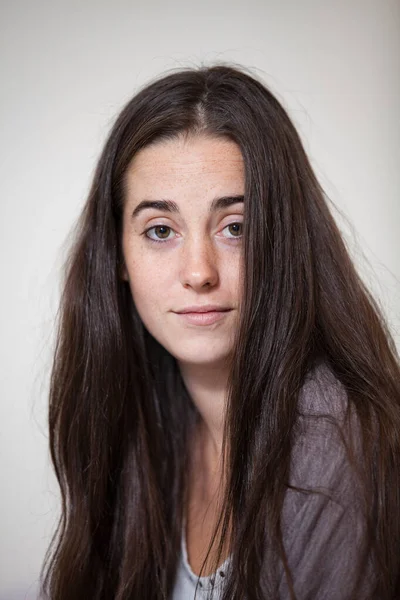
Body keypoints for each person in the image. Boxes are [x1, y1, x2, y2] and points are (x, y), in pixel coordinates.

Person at [40, 64, 400, 600]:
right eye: (160, 231)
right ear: (118, 256)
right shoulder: (149, 418)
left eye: (236, 228)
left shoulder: (334, 435)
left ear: (283, 240)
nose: (199, 272)